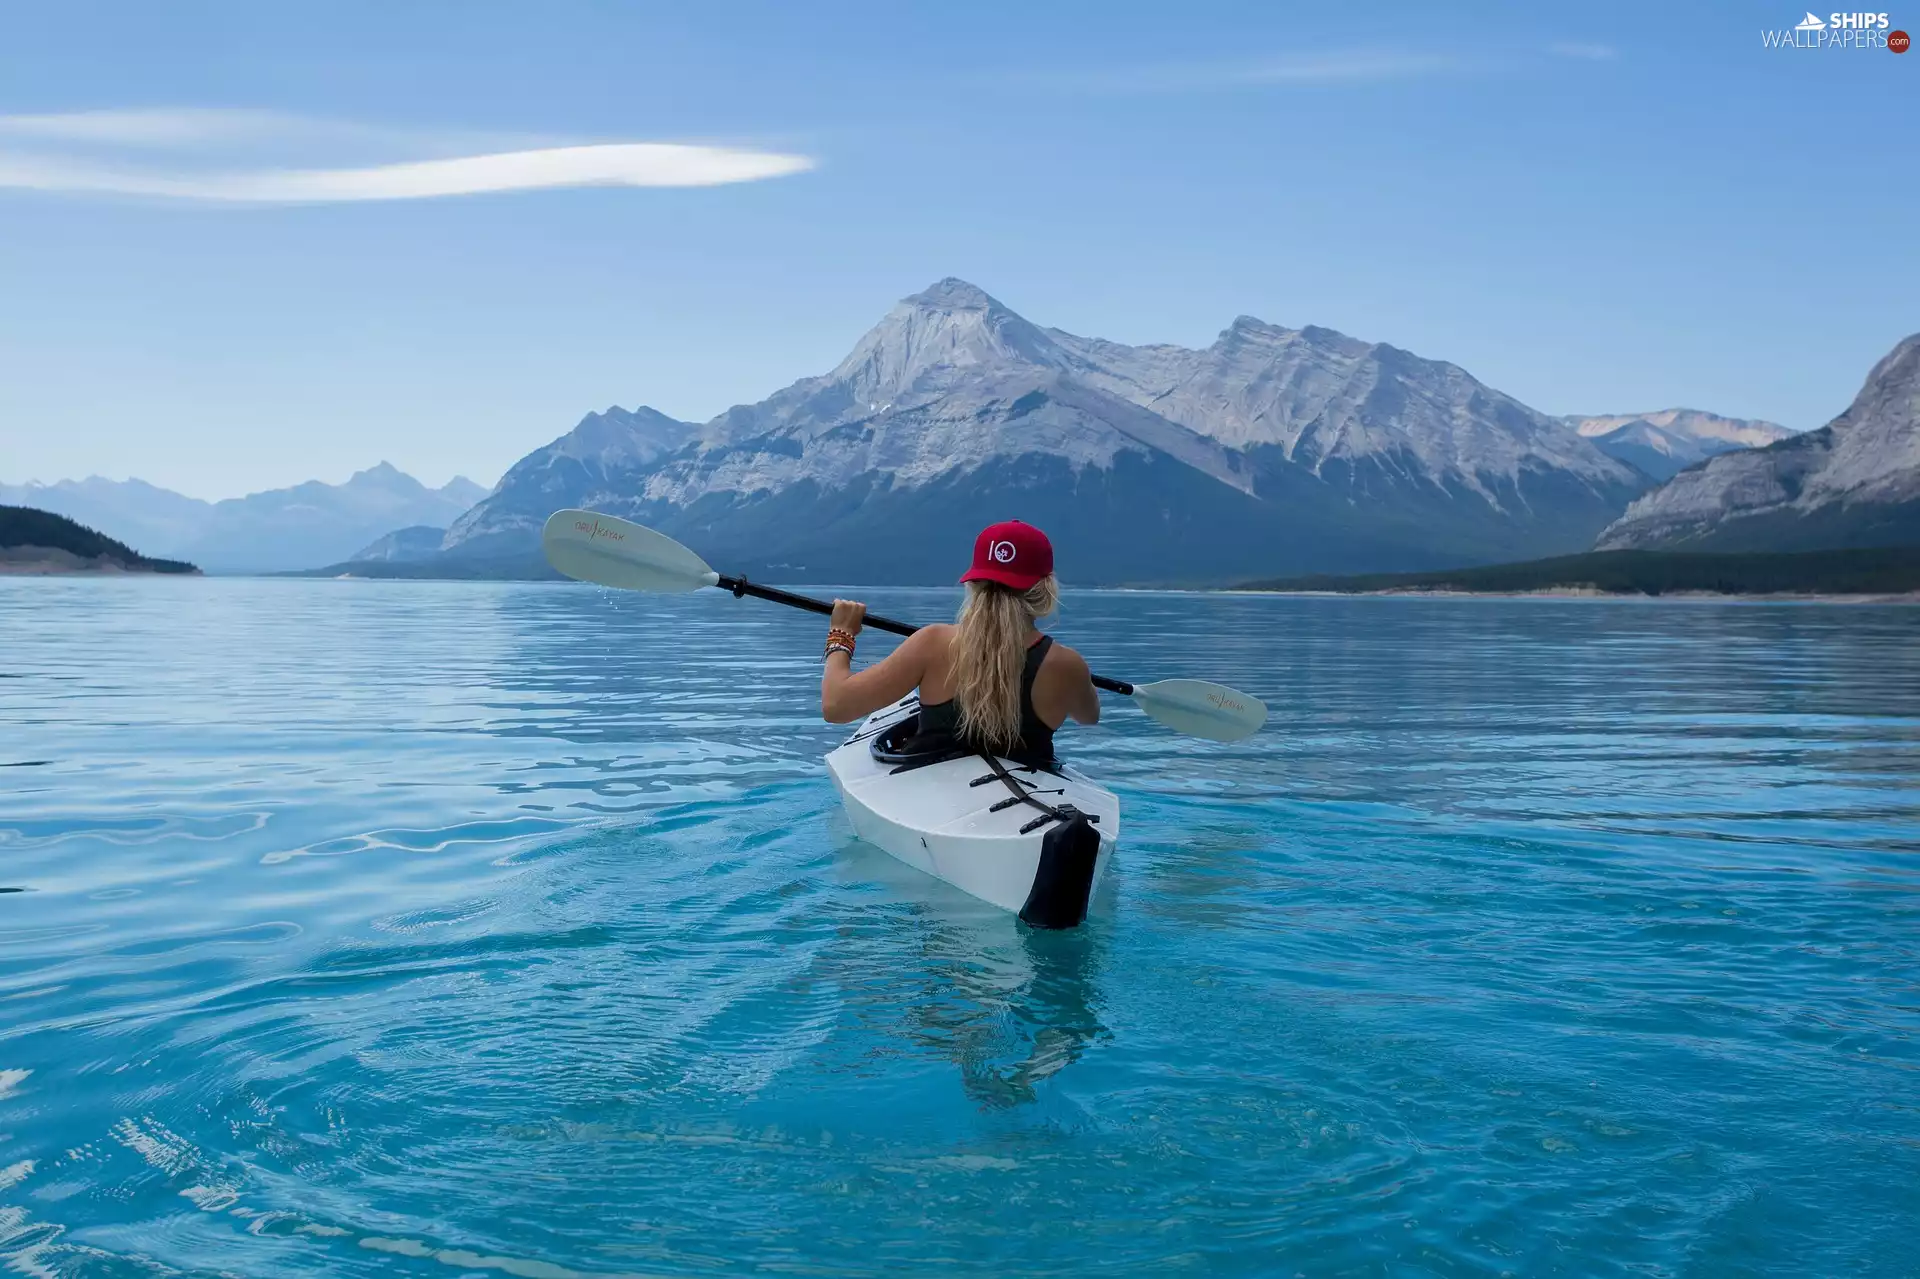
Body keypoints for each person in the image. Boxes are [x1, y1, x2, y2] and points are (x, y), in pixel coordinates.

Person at [819, 520, 1099, 765]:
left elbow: (836, 706)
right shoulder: (1066, 664)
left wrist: (841, 635)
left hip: (930, 792)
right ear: (1046, 589)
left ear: (972, 584)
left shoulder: (933, 643)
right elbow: (1089, 717)